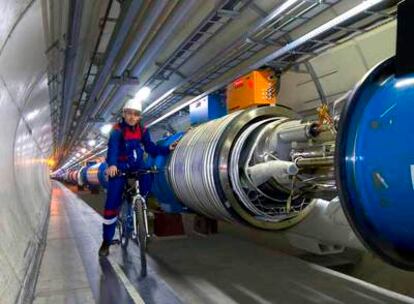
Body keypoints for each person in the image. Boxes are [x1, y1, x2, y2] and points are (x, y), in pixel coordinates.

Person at [99, 98, 175, 257]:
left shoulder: (143, 130)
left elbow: (150, 147)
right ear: (124, 114)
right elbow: (112, 149)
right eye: (129, 113)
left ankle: (141, 203)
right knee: (112, 203)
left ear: (139, 116)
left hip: (136, 164)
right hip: (119, 166)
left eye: (136, 114)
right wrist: (112, 165)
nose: (132, 117)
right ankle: (106, 241)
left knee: (148, 175)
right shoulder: (117, 130)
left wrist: (167, 148)